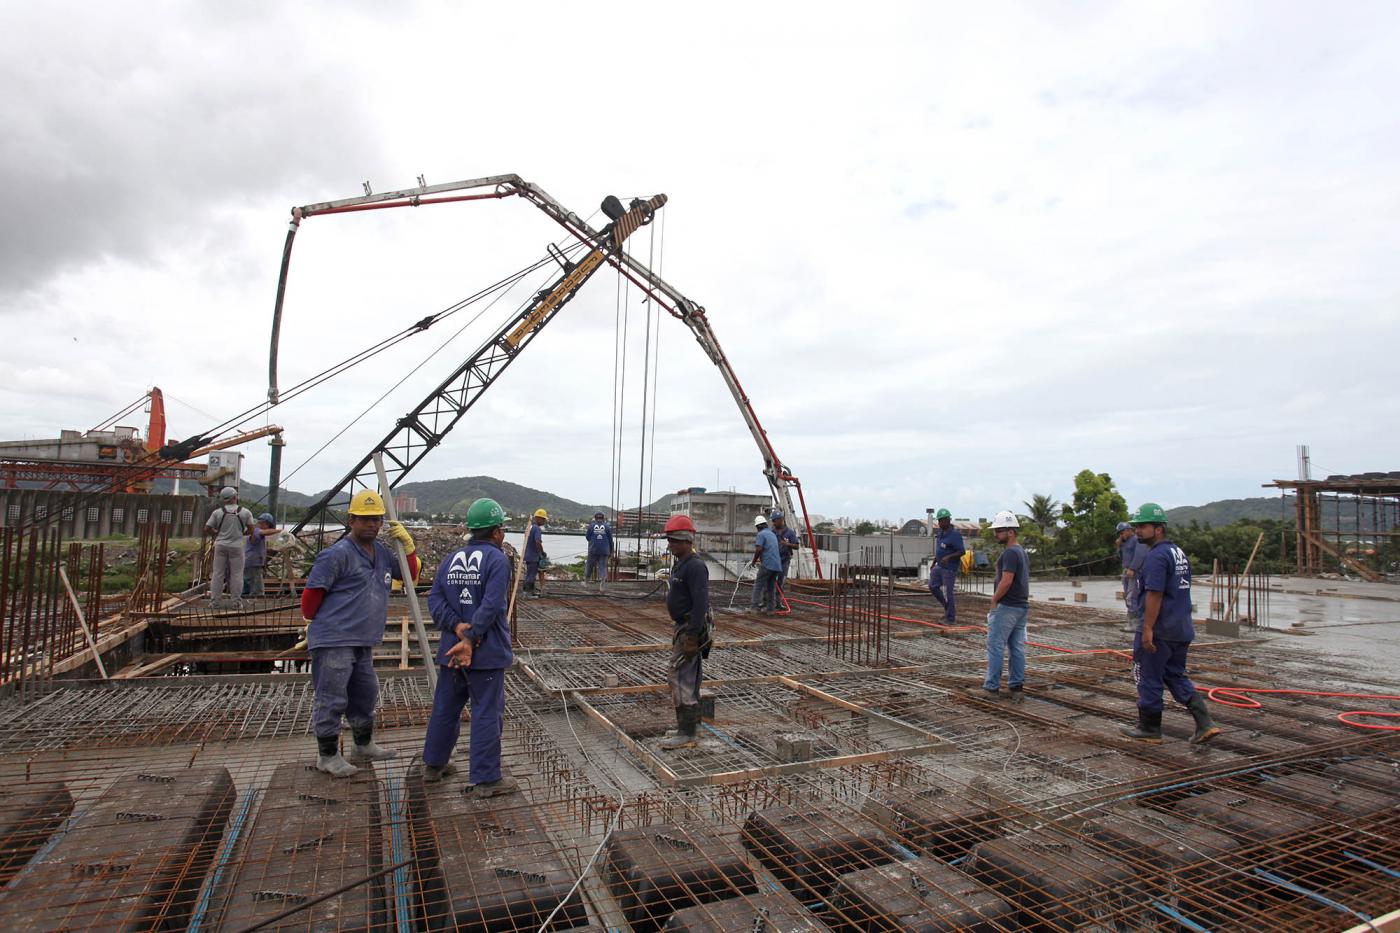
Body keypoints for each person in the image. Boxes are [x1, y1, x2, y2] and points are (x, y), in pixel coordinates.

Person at [300, 489, 418, 777]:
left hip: (363, 639)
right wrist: (313, 623)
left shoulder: (383, 553)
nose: (372, 525)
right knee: (332, 698)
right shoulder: (336, 555)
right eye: (365, 519)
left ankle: (363, 744)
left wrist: (410, 549)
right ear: (351, 520)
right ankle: (327, 755)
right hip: (334, 638)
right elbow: (310, 598)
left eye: (376, 519)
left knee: (365, 693)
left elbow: (410, 575)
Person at [421, 497, 519, 795]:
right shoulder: (497, 560)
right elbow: (492, 606)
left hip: (451, 651)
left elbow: (434, 600)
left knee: (445, 708)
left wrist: (456, 628)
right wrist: (471, 637)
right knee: (487, 712)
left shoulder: (451, 559)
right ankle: (486, 779)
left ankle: (433, 766)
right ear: (497, 532)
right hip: (484, 654)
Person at [1121, 503, 1221, 744]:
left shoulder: (1156, 556)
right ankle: (1204, 722)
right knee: (1175, 675)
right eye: (1136, 527)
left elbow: (1155, 594)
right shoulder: (1178, 553)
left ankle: (1150, 728)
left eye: (1143, 527)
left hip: (1160, 629)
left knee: (1147, 676)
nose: (1138, 532)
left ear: (1159, 529)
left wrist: (1147, 629)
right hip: (1180, 628)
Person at [659, 515, 711, 750]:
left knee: (678, 676)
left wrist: (692, 635)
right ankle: (692, 726)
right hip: (683, 626)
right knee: (689, 676)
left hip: (690, 628)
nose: (669, 545)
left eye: (672, 540)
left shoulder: (696, 566)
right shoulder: (680, 563)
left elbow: (701, 603)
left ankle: (686, 732)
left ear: (685, 541)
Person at [984, 510, 1029, 702]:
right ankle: (1016, 687)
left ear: (1011, 532)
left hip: (1008, 606)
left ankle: (991, 688)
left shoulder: (1011, 552)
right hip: (1021, 606)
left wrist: (994, 599)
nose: (996, 534)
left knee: (995, 645)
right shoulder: (1021, 551)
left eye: (999, 530)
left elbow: (1007, 580)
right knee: (1016, 647)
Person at [204, 487, 253, 609]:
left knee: (218, 573)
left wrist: (216, 531)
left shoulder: (217, 512)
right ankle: (236, 602)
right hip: (237, 546)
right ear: (234, 497)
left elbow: (206, 528)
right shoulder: (245, 512)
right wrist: (241, 533)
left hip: (220, 545)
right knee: (237, 574)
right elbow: (251, 529)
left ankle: (215, 602)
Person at [927, 508, 965, 623]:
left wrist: (948, 557)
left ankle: (950, 618)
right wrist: (934, 563)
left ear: (948, 520)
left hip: (949, 569)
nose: (939, 523)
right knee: (932, 586)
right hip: (939, 566)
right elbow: (939, 550)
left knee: (948, 593)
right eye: (939, 521)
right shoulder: (940, 534)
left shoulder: (955, 535)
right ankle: (948, 609)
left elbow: (962, 551)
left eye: (942, 520)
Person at [1116, 520, 1145, 632]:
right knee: (1127, 595)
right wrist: (1119, 545)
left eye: (1122, 533)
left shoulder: (1137, 540)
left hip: (1134, 572)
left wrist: (1133, 568)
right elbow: (1122, 556)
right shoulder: (1124, 542)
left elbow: (1140, 555)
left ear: (1128, 530)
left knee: (1132, 596)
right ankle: (1132, 622)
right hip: (1126, 571)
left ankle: (1135, 624)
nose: (1121, 535)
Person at [242, 513, 280, 598]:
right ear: (264, 523)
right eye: (268, 526)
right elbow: (265, 532)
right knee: (257, 590)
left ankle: (244, 603)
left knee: (247, 586)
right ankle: (256, 605)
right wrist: (280, 531)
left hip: (249, 562)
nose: (268, 528)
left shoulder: (253, 531)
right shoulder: (256, 530)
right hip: (253, 563)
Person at [750, 514, 782, 613]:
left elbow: (759, 549)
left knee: (758, 585)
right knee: (770, 587)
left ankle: (754, 607)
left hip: (767, 564)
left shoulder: (761, 534)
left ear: (758, 526)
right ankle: (770, 609)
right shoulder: (772, 534)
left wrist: (754, 561)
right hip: (777, 566)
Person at [770, 509, 801, 594]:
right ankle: (768, 601)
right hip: (774, 560)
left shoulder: (790, 533)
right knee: (769, 581)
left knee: (781, 581)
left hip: (784, 561)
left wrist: (787, 544)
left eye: (774, 521)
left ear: (781, 520)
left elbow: (797, 546)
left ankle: (778, 602)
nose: (773, 523)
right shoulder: (772, 532)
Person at [523, 508, 548, 597]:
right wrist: (542, 552)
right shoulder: (537, 529)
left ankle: (530, 592)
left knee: (529, 574)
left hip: (528, 554)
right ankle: (527, 594)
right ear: (539, 518)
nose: (544, 521)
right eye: (544, 519)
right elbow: (537, 541)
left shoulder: (530, 527)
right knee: (531, 575)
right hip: (533, 556)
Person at [585, 510, 613, 588]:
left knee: (589, 566)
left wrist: (593, 540)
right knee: (602, 566)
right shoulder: (607, 527)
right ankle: (602, 583)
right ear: (603, 518)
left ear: (595, 518)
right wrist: (611, 551)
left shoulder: (591, 526)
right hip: (604, 551)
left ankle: (586, 582)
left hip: (593, 550)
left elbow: (587, 537)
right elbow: (611, 540)